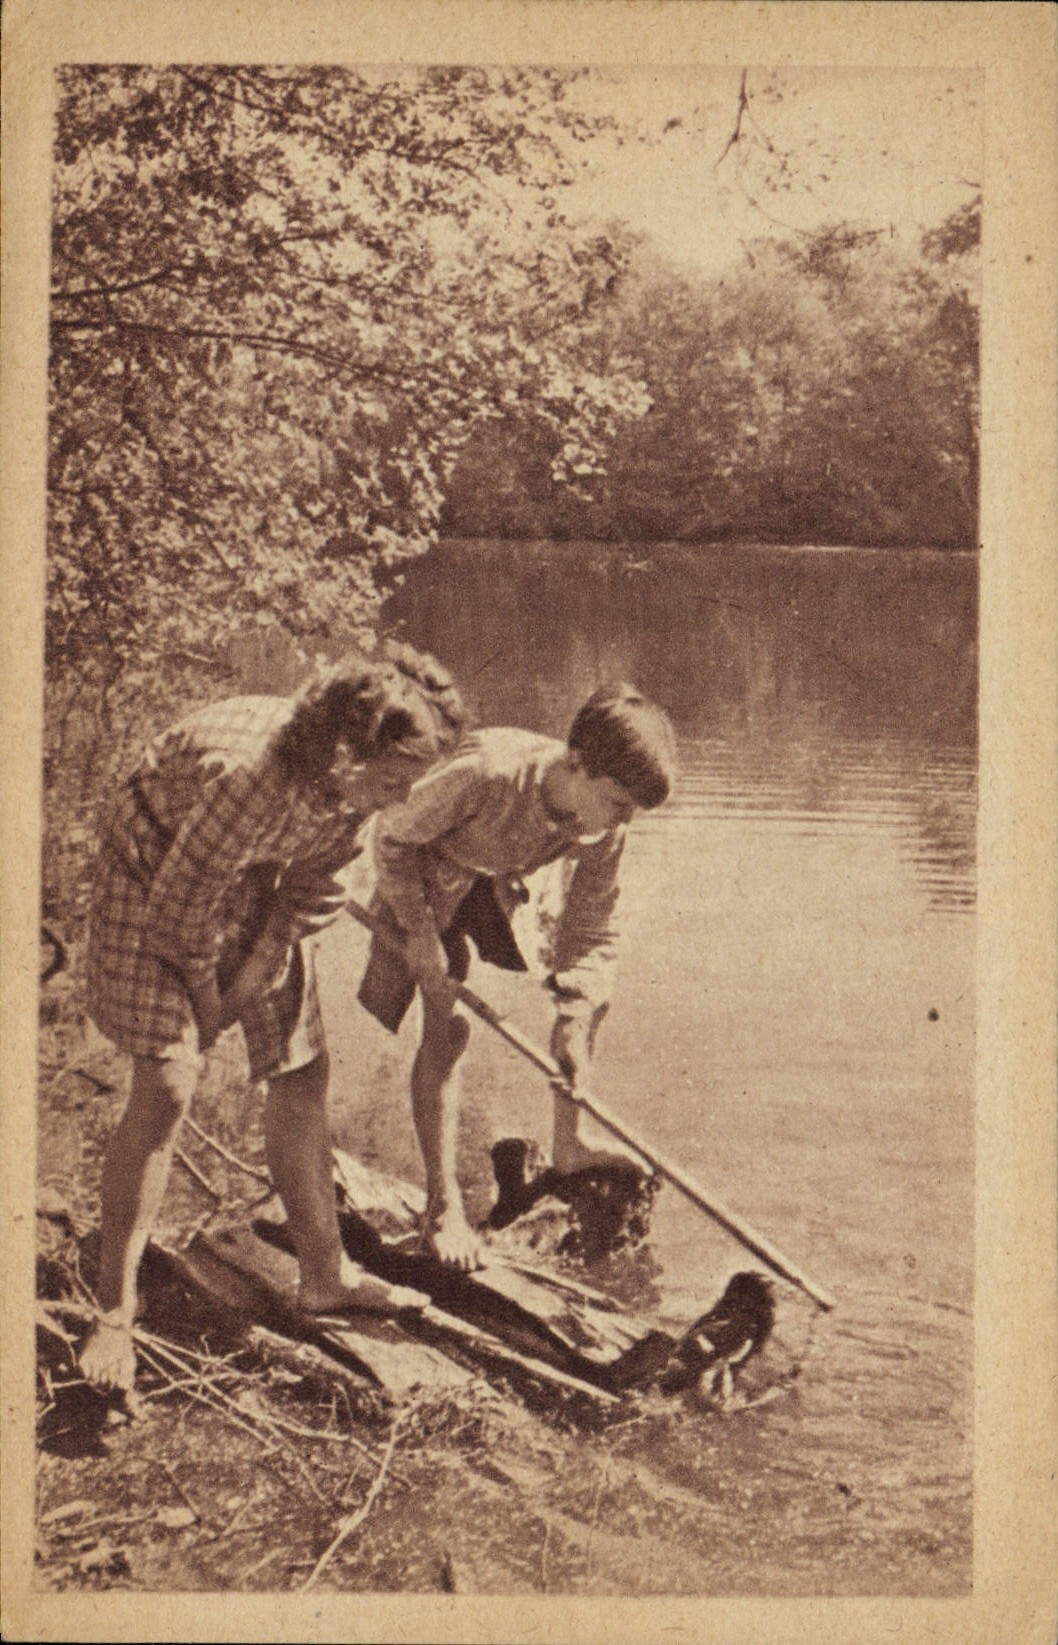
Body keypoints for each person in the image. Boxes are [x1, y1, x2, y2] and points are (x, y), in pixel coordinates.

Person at [79, 643, 466, 1393]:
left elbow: (308, 890)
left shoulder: (350, 793)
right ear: (349, 752)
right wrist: (207, 1006)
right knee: (167, 1081)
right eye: (394, 778)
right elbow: (176, 915)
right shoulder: (252, 777)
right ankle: (114, 1310)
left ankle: (325, 1275)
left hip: (247, 874)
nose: (400, 799)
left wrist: (253, 971)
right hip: (151, 869)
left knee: (301, 1064)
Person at [358, 683, 678, 1271]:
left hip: (498, 878)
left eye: (630, 810)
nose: (620, 820)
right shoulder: (487, 773)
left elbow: (593, 929)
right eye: (615, 802)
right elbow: (390, 837)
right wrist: (422, 937)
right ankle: (443, 1204)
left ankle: (569, 1145)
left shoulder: (603, 822)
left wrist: (574, 1021)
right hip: (424, 874)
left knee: (585, 1005)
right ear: (576, 764)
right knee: (448, 1023)